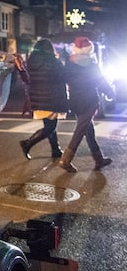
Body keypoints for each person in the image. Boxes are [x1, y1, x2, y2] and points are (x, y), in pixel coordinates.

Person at [59, 36, 114, 172]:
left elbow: (62, 80)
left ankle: (99, 159)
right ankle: (65, 160)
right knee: (81, 130)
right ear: (89, 49)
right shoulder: (92, 65)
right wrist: (110, 93)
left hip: (75, 101)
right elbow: (100, 81)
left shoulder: (69, 64)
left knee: (88, 130)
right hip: (89, 101)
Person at [18, 39, 67, 160]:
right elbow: (63, 78)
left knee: (48, 124)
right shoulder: (54, 62)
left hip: (37, 98)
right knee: (51, 127)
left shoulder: (31, 62)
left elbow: (27, 80)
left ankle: (56, 149)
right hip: (52, 98)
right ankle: (28, 143)